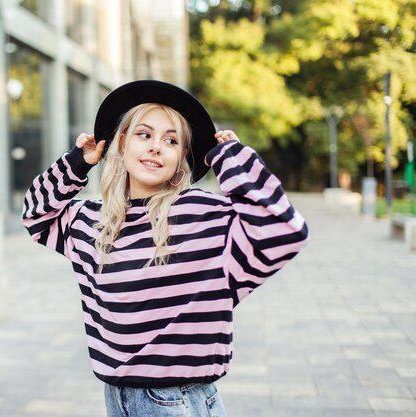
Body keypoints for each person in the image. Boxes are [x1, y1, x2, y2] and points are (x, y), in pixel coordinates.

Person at [21, 80, 308, 417]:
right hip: (119, 397)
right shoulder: (93, 220)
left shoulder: (204, 216)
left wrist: (230, 158)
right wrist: (78, 163)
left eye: (171, 140)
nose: (156, 147)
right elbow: (35, 215)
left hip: (178, 400)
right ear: (122, 143)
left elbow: (283, 231)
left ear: (182, 157)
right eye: (145, 135)